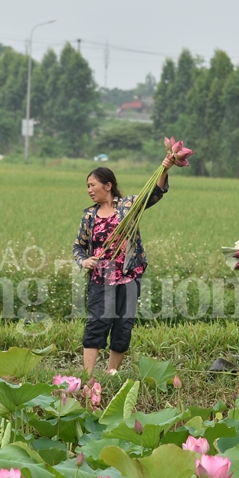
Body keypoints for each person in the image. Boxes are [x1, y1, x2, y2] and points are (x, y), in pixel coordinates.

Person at [73, 155, 174, 375]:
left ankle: (111, 374)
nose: (89, 190)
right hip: (100, 279)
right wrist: (85, 261)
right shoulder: (89, 216)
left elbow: (154, 195)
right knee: (98, 323)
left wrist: (164, 168)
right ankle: (87, 376)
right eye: (87, 186)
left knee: (123, 326)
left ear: (108, 185)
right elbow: (78, 247)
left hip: (128, 277)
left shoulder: (127, 205)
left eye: (93, 185)